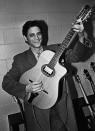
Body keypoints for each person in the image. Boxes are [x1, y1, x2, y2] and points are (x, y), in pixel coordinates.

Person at [2, 19, 92, 131]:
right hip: (38, 109)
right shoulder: (20, 59)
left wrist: (81, 34)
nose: (37, 38)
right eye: (32, 35)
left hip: (62, 106)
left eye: (39, 34)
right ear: (26, 38)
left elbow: (76, 56)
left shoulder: (56, 50)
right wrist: (26, 88)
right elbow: (6, 83)